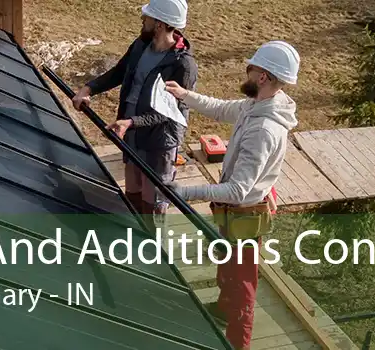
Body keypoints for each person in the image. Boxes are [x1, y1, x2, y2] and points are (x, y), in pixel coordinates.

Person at [163, 40, 301, 350]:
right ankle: (225, 310)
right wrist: (185, 95)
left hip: (245, 212)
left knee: (242, 287)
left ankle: (238, 343)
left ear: (262, 76)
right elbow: (223, 108)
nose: (246, 71)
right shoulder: (258, 104)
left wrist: (184, 192)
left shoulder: (265, 129)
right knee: (227, 263)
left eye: (251, 68)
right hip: (235, 211)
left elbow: (239, 189)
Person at [71, 0, 197, 232]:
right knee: (134, 193)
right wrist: (88, 89)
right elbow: (119, 72)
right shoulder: (141, 45)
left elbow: (169, 112)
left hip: (158, 141)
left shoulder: (182, 65)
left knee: (154, 200)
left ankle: (156, 252)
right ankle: (134, 239)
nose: (142, 20)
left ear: (159, 24)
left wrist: (132, 122)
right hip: (131, 133)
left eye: (147, 17)